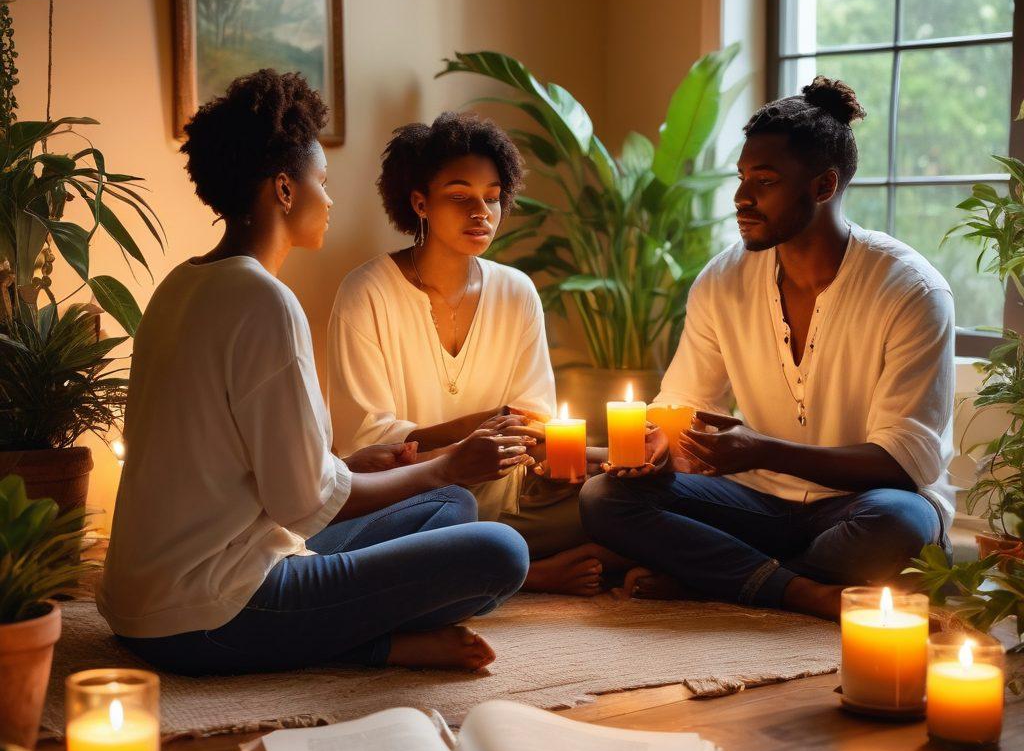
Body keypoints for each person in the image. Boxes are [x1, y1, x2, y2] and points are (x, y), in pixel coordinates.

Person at [98, 70, 532, 675]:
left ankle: (337, 627)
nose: (328, 200)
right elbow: (303, 503)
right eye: (320, 182)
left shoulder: (181, 285)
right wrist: (447, 462)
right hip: (207, 613)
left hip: (144, 601)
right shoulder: (265, 302)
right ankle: (372, 646)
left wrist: (348, 468)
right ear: (283, 189)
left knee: (449, 507)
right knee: (500, 550)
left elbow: (260, 475)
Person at [579, 77, 955, 621]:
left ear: (824, 186)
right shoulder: (723, 280)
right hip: (755, 501)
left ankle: (723, 576)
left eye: (765, 181)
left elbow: (902, 466)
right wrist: (658, 443)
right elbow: (680, 407)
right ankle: (799, 589)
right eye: (741, 178)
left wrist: (762, 449)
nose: (742, 197)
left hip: (861, 508)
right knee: (604, 499)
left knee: (900, 527)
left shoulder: (910, 290)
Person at [326, 111, 610, 596]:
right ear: (420, 203)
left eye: (492, 198)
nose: (481, 212)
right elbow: (367, 444)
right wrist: (478, 428)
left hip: (518, 499)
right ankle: (530, 573)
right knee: (433, 519)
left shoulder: (516, 292)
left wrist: (609, 458)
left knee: (622, 501)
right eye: (460, 197)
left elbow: (535, 428)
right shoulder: (367, 292)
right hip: (413, 504)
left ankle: (495, 561)